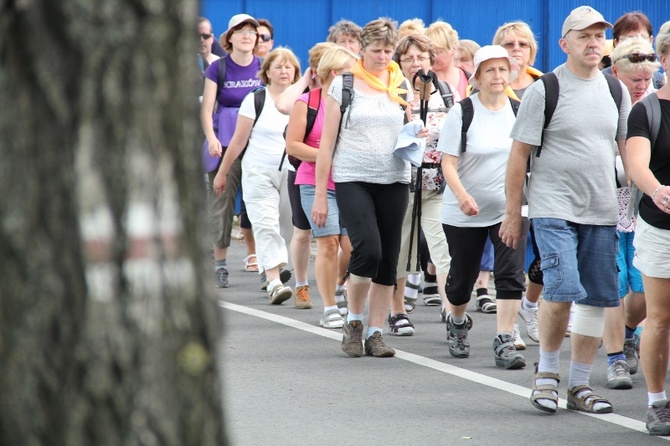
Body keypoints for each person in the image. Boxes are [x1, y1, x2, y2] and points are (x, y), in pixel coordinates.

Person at [500, 6, 631, 414]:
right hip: (553, 206)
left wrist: (643, 201)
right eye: (584, 36)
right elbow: (518, 156)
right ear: (565, 44)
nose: (593, 43)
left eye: (599, 36)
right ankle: (547, 374)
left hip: (602, 209)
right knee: (561, 289)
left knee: (596, 298)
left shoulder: (616, 90)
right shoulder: (544, 90)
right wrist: (512, 212)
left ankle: (578, 385)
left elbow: (628, 153)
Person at [314, 18, 425, 357]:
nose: (382, 56)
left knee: (388, 260)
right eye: (376, 50)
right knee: (369, 250)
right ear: (361, 49)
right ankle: (355, 321)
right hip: (353, 178)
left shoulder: (401, 83)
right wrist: (320, 193)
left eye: (388, 50)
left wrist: (416, 134)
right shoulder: (343, 85)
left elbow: (406, 128)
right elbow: (327, 143)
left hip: (394, 177)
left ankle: (376, 332)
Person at [438, 45, 527, 369]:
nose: (497, 76)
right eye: (490, 70)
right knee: (463, 277)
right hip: (464, 211)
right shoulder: (462, 112)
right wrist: (462, 196)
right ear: (476, 77)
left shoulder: (519, 112)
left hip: (508, 209)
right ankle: (458, 322)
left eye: (502, 69)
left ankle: (504, 338)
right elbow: (448, 163)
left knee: (509, 273)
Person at [213, 48, 301, 304]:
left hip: (291, 171)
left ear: (296, 72)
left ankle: (276, 266)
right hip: (258, 170)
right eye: (278, 67)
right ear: (267, 73)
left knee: (288, 225)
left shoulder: (302, 98)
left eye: (288, 67)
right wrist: (222, 173)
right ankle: (273, 281)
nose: (283, 71)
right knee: (265, 224)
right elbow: (238, 141)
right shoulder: (255, 99)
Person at [388, 34, 456, 336]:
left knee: (442, 248)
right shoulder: (393, 94)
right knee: (400, 248)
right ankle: (397, 309)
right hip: (402, 184)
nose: (416, 63)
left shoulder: (447, 93)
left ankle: (451, 309)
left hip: (437, 184)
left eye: (421, 58)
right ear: (399, 64)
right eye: (408, 58)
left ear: (431, 61)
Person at [286, 45, 358, 326]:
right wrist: (327, 155)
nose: (352, 79)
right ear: (331, 72)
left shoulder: (356, 102)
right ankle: (329, 308)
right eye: (346, 73)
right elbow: (293, 145)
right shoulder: (308, 102)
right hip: (314, 181)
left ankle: (339, 285)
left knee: (352, 246)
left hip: (351, 181)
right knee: (327, 244)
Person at [603, 36, 660, 390]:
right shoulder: (604, 102)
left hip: (642, 211)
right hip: (604, 206)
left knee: (640, 293)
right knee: (613, 283)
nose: (640, 86)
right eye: (633, 79)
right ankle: (614, 359)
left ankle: (626, 332)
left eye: (645, 79)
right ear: (615, 73)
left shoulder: (654, 107)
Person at [625, 26, 670, 436]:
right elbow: (637, 161)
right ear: (664, 59)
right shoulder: (648, 109)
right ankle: (658, 402)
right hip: (661, 226)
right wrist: (657, 191)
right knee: (659, 317)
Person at [200, 13, 263, 288]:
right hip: (225, 143)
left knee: (262, 204)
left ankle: (268, 266)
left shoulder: (264, 67)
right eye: (241, 31)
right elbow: (206, 109)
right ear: (229, 38)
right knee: (222, 204)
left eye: (252, 31)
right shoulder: (218, 68)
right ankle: (220, 265)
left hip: (258, 144)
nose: (247, 35)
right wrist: (211, 138)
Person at [493, 20, 544, 344]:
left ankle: (531, 304)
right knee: (510, 255)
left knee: (546, 257)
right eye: (509, 44)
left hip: (542, 181)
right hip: (504, 182)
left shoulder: (545, 85)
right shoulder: (490, 86)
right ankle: (508, 323)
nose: (516, 51)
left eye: (522, 44)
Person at [603, 12, 665, 91]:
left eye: (642, 38)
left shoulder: (659, 81)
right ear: (616, 43)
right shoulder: (603, 80)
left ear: (651, 40)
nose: (636, 42)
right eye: (629, 39)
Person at [425, 20, 469, 99]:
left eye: (437, 52)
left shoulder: (469, 81)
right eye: (429, 52)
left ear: (453, 49)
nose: (432, 56)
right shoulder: (421, 80)